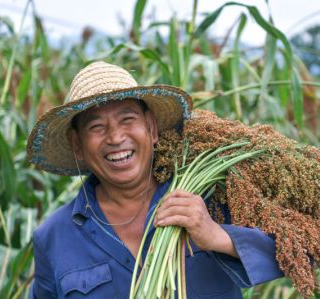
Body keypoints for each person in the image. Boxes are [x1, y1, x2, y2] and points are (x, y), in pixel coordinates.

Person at [27, 61, 283, 298]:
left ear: (151, 128)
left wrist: (219, 237)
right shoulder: (53, 237)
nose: (115, 138)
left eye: (127, 119)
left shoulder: (209, 197)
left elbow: (305, 252)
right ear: (77, 145)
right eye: (96, 127)